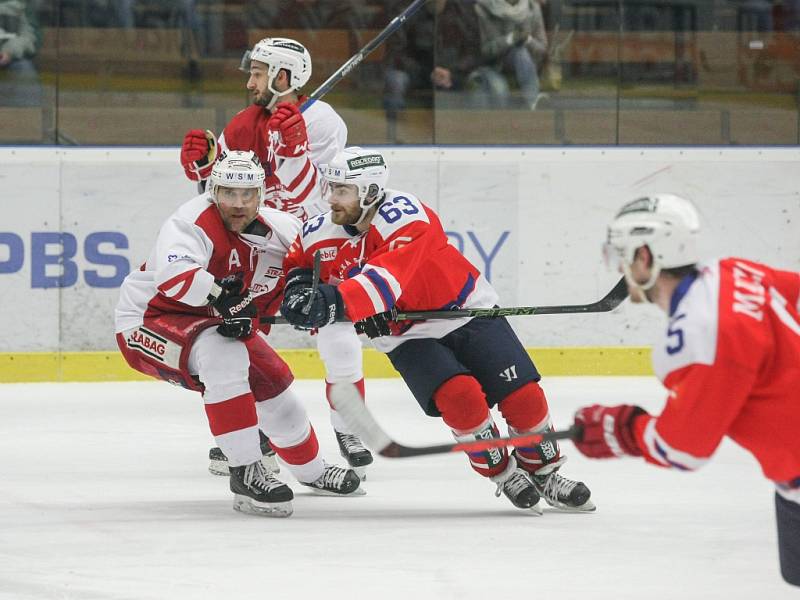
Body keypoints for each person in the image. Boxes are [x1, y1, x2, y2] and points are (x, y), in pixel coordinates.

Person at [279, 146, 595, 514]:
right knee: (460, 398)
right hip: (406, 333)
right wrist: (299, 292)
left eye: (342, 190)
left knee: (523, 396)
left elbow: (387, 279)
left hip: (466, 310)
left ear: (368, 193)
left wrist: (339, 302)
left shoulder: (405, 215)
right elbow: (300, 264)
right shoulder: (319, 230)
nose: (331, 198)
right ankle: (503, 472)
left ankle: (544, 470)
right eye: (330, 187)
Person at [115, 150, 363, 518]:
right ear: (213, 190)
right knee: (223, 354)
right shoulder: (190, 221)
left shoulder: (282, 231)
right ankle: (245, 469)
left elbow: (328, 267)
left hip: (214, 325)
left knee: (276, 388)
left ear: (262, 195)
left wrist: (350, 300)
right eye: (228, 193)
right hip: (148, 322)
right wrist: (222, 299)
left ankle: (311, 472)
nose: (237, 203)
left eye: (247, 195)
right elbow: (173, 278)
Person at [570, 194, 800, 586]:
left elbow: (683, 448)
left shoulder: (700, 334)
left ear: (645, 257)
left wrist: (624, 429)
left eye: (624, 257)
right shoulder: (733, 271)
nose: (623, 269)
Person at [179, 37, 374, 478]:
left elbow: (322, 198)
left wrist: (292, 153)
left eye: (258, 73)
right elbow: (226, 200)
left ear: (284, 77)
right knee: (239, 334)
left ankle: (349, 425)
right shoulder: (243, 125)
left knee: (337, 330)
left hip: (309, 241)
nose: (250, 82)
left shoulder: (323, 122)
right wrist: (203, 172)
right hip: (259, 244)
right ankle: (255, 432)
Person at [472, 0, 548, 110]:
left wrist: (528, 40)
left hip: (526, 68)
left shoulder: (532, 8)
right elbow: (485, 51)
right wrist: (509, 39)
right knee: (499, 90)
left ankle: (532, 103)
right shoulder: (484, 9)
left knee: (520, 52)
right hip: (493, 67)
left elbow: (542, 50)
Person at [0, 0, 42, 108]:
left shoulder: (21, 4)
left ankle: (28, 119)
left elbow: (30, 36)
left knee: (24, 69)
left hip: (11, 58)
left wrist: (9, 52)